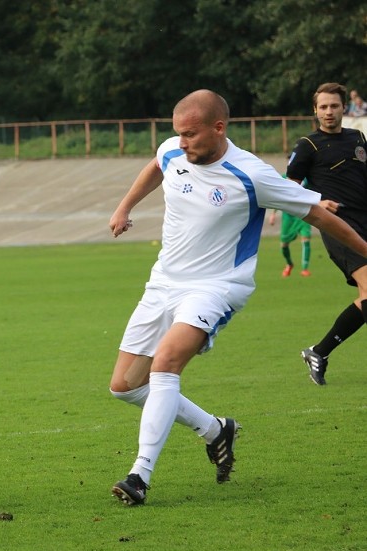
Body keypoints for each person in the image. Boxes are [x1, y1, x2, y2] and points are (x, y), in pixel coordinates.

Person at [107, 89, 367, 506]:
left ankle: (140, 474)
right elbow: (157, 165)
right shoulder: (174, 150)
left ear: (219, 127)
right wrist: (124, 207)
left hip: (217, 286)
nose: (183, 142)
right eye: (178, 134)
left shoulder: (253, 175)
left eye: (191, 134)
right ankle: (215, 429)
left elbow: (319, 214)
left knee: (167, 363)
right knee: (125, 386)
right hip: (163, 282)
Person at [287, 82, 367, 386]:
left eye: (334, 106)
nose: (329, 112)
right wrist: (316, 201)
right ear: (315, 110)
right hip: (338, 225)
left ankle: (319, 351)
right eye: (323, 107)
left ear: (343, 108)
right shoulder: (308, 144)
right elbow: (289, 186)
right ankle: (318, 351)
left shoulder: (357, 138)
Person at [268, 178, 312, 277]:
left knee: (306, 239)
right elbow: (279, 196)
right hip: (288, 216)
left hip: (303, 214)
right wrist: (273, 214)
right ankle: (289, 264)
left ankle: (305, 269)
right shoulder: (283, 178)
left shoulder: (306, 178)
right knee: (284, 245)